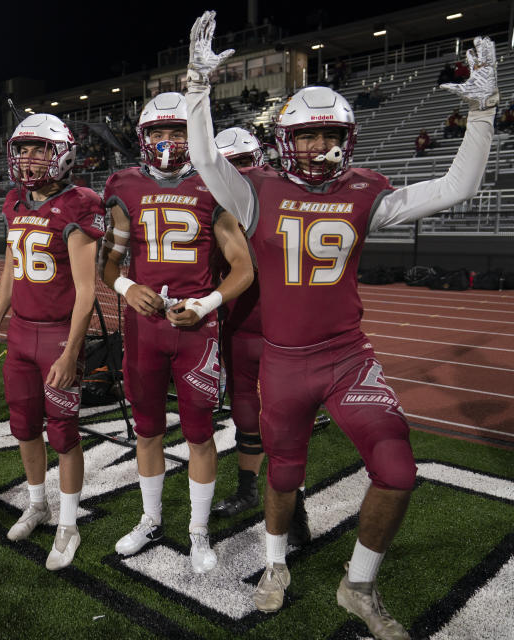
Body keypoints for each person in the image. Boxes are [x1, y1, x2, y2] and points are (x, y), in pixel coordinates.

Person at [186, 13, 496, 636]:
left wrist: (484, 113)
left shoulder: (364, 190)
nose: (312, 146)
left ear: (346, 138)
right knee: (283, 473)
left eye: (326, 134)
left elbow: (457, 187)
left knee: (398, 470)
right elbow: (204, 160)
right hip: (283, 358)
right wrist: (197, 86)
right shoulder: (255, 190)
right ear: (283, 139)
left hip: (348, 356)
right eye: (302, 136)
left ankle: (359, 584)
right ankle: (275, 564)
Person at [99, 96, 255, 573]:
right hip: (144, 326)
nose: (169, 143)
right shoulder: (124, 186)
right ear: (143, 138)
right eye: (160, 133)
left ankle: (198, 530)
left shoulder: (215, 182)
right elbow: (108, 265)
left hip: (197, 328)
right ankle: (150, 519)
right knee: (146, 430)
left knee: (199, 435)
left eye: (180, 132)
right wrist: (128, 288)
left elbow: (243, 269)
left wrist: (206, 302)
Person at [0, 113, 104, 570]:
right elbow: (13, 266)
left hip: (56, 336)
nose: (28, 159)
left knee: (64, 435)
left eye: (39, 149)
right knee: (24, 426)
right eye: (23, 149)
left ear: (62, 154)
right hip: (21, 336)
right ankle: (38, 503)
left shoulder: (80, 203)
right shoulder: (15, 200)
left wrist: (72, 351)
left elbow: (88, 290)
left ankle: (69, 524)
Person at [209, 127, 312, 545]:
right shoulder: (213, 207)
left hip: (281, 326)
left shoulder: (284, 196)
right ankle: (248, 489)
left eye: (245, 163)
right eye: (231, 167)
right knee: (245, 413)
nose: (241, 175)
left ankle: (296, 502)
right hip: (238, 323)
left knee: (284, 421)